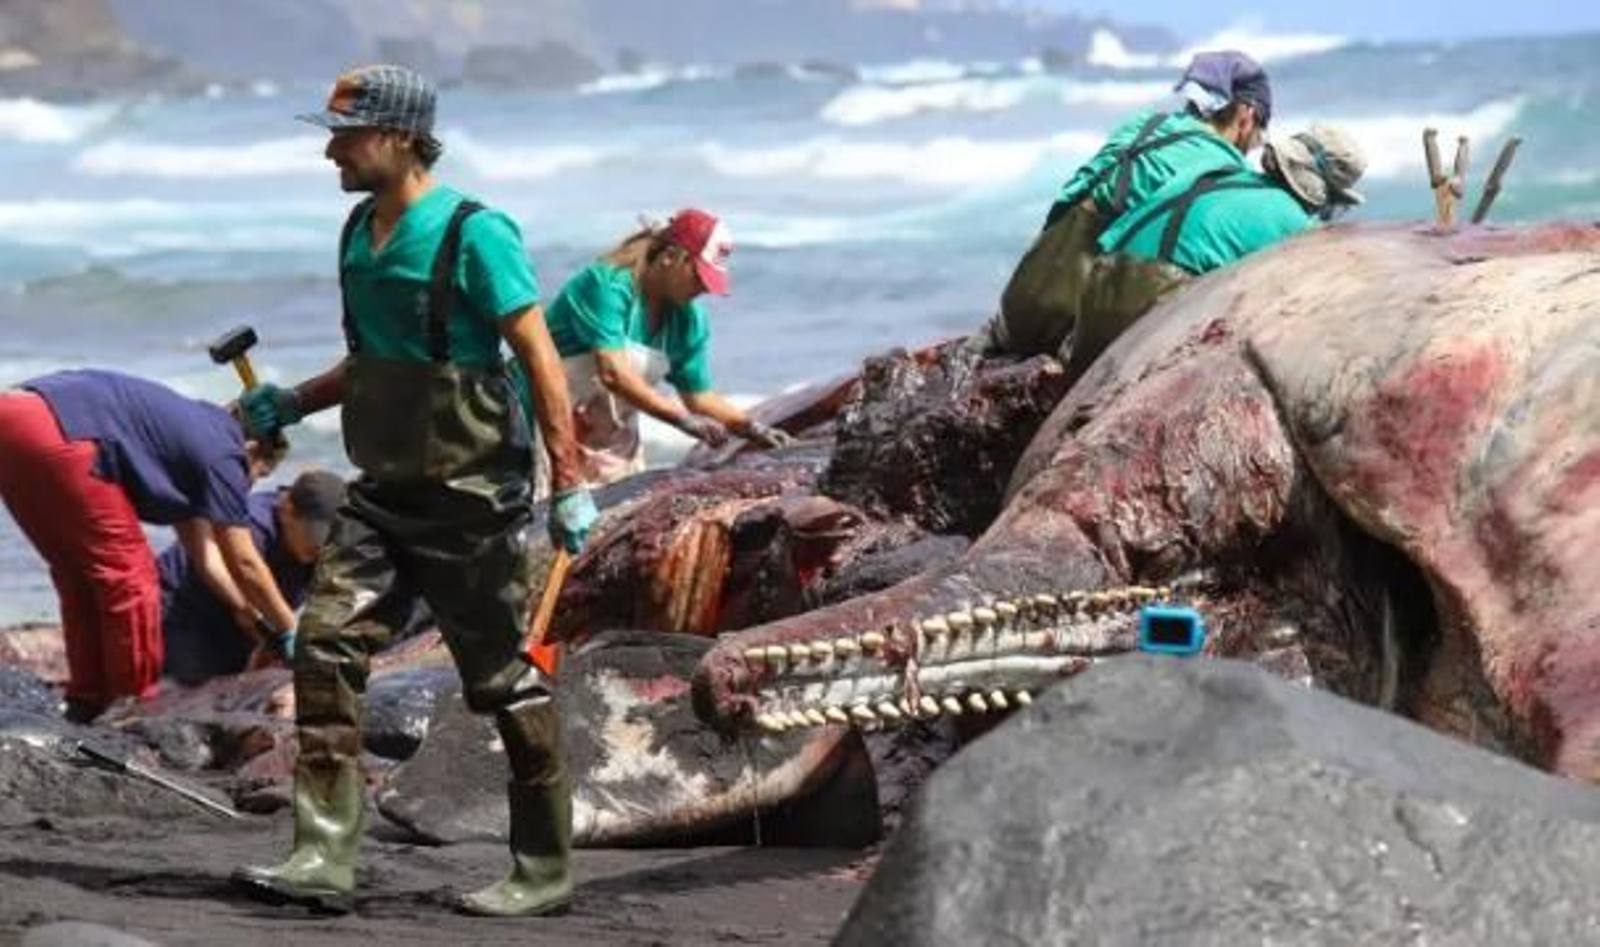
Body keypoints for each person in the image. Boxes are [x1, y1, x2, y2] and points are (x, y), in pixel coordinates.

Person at [229, 64, 595, 919]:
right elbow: (372, 359)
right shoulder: (359, 231)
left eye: (344, 135)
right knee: (323, 643)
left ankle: (543, 865)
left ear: (397, 136)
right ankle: (322, 853)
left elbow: (538, 356)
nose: (330, 152)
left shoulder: (476, 232)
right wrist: (293, 400)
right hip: (382, 489)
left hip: (472, 497)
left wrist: (569, 481)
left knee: (502, 678)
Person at [0, 369, 299, 723]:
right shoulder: (226, 456)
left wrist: (242, 608)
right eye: (258, 475)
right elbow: (245, 562)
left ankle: (87, 698)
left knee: (78, 573)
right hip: (64, 430)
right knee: (131, 577)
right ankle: (133, 706)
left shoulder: (193, 439)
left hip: (15, 415)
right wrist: (290, 629)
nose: (247, 488)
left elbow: (204, 556)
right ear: (251, 450)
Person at [990, 49, 1274, 357]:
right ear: (1246, 116)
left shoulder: (1142, 125)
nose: (1253, 145)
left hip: (1022, 296)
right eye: (1259, 131)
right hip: (1070, 318)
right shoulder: (1222, 172)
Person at [510, 209, 794, 492]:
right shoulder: (607, 286)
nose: (703, 290)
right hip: (540, 418)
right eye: (698, 277)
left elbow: (699, 396)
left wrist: (752, 428)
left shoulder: (688, 320)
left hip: (610, 437)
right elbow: (613, 373)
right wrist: (682, 421)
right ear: (670, 257)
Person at [1068, 124, 1367, 374]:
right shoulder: (1296, 227)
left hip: (1096, 289)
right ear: (1322, 192)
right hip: (1147, 315)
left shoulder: (1214, 170)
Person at [159, 469, 345, 686]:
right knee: (188, 692)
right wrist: (287, 635)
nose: (319, 547)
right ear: (287, 510)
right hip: (180, 612)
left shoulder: (318, 552)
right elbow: (246, 577)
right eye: (314, 535)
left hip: (237, 628)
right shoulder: (252, 529)